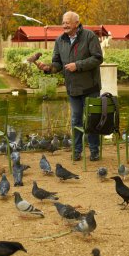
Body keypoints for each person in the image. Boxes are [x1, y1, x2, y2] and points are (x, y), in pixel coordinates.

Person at [35, 11, 103, 161]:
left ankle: (94, 150)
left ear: (76, 23)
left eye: (67, 22)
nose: (64, 25)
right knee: (75, 120)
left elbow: (98, 58)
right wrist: (47, 68)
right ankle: (77, 151)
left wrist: (77, 65)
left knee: (92, 120)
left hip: (90, 87)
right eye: (63, 22)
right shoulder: (60, 40)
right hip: (73, 89)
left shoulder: (89, 36)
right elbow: (57, 64)